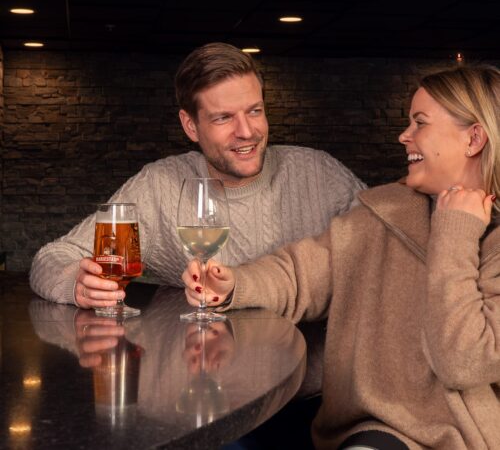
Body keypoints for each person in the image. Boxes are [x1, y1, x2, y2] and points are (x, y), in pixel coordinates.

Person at [182, 64, 500, 449]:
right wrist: (233, 284)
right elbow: (300, 273)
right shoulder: (384, 210)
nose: (405, 136)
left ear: (475, 138)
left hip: (464, 439)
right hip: (378, 427)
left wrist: (457, 230)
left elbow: (463, 361)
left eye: (420, 123)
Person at [29, 42, 365, 308]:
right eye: (223, 118)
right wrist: (76, 282)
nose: (246, 131)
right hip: (205, 380)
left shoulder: (319, 174)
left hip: (314, 382)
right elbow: (52, 257)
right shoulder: (160, 186)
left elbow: (391, 250)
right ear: (191, 126)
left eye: (255, 111)